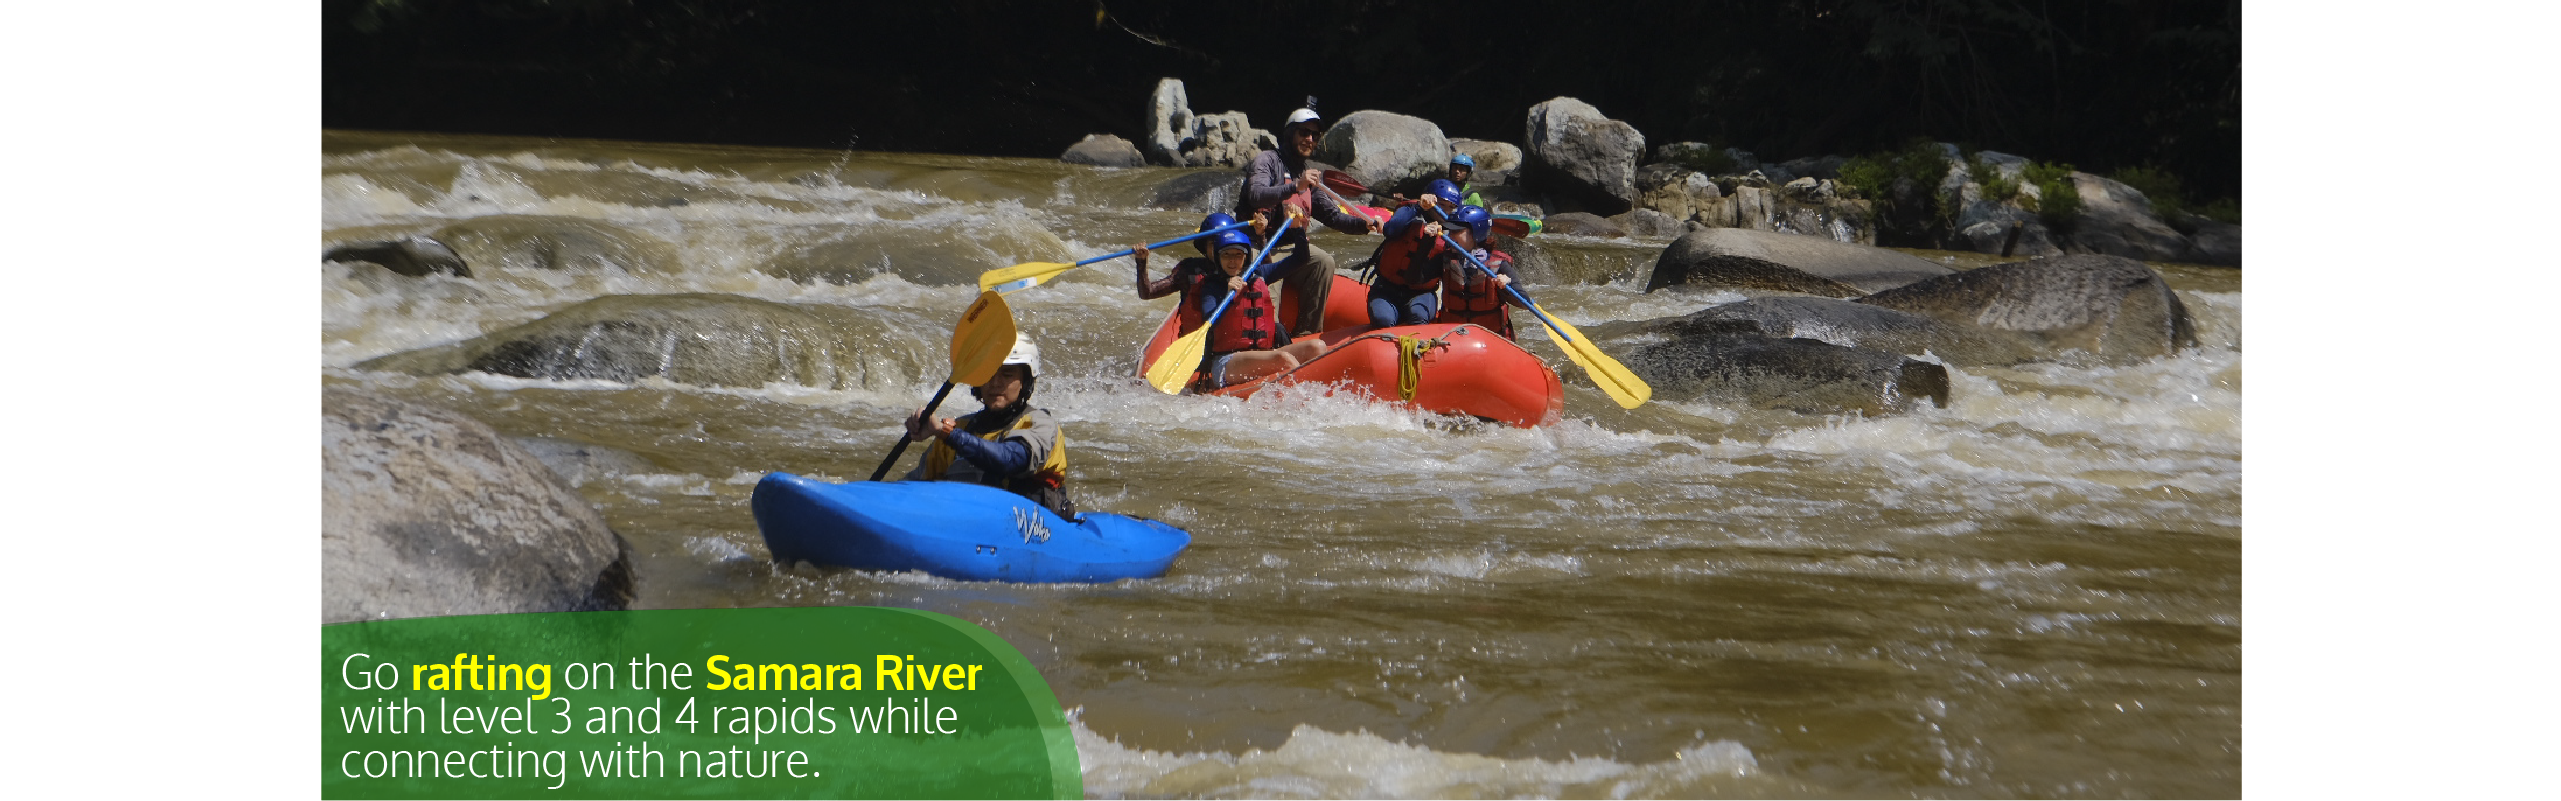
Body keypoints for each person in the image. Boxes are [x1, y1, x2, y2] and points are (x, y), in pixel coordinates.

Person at [1236, 101, 1381, 336]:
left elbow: (1332, 216)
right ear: (1290, 134)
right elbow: (1255, 194)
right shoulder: (1268, 161)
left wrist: (1364, 225)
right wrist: (1296, 186)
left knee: (1324, 261)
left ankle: (1307, 334)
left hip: (1292, 246)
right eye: (1304, 133)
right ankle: (1265, 340)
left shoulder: (1308, 175)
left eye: (1315, 135)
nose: (1310, 140)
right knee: (1267, 282)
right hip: (1260, 244)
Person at [903, 334, 1073, 517]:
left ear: (1025, 381)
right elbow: (914, 488)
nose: (995, 383)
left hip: (1031, 526)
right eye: (988, 373)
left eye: (1007, 374)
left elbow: (1011, 459)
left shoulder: (1040, 424)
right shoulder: (960, 427)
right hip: (965, 520)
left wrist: (947, 434)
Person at [1166, 224, 1330, 388]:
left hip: (1262, 354)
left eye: (1238, 255)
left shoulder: (1259, 274)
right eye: (1226, 255)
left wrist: (1298, 229)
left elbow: (1299, 259)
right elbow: (1210, 320)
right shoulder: (1211, 286)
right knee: (1284, 359)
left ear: (1245, 257)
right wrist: (1228, 294)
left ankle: (1319, 392)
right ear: (1218, 257)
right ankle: (1305, 396)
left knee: (1317, 347)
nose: (1232, 260)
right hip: (1226, 361)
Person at [1365, 179, 1466, 327]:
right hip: (1387, 289)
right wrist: (1419, 206)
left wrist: (1428, 241)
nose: (1445, 211)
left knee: (1418, 316)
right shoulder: (1409, 211)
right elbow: (1390, 230)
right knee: (1383, 320)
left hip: (1421, 293)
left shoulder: (1452, 234)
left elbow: (1419, 277)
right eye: (1441, 205)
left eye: (1451, 207)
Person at [1433, 205, 1528, 340]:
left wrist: (1506, 287)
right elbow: (1416, 279)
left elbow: (1524, 303)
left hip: (1490, 339)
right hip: (1454, 338)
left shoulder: (1499, 264)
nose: (1450, 236)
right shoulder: (1444, 259)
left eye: (1456, 231)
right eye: (1450, 231)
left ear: (1475, 233)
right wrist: (1427, 240)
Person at [1133, 213, 1234, 304]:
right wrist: (1141, 261)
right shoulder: (1188, 270)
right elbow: (1147, 293)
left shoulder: (1242, 272)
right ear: (1205, 246)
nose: (1219, 249)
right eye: (1213, 244)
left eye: (1225, 244)